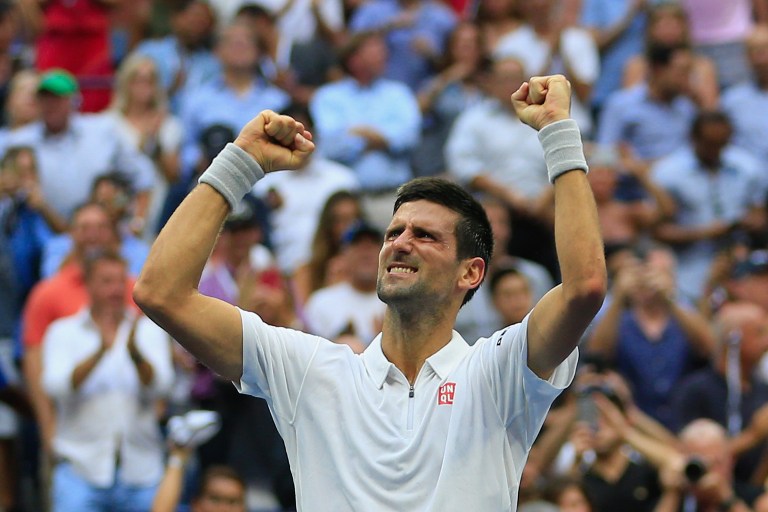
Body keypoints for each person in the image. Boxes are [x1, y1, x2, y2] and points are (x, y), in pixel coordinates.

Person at [133, 74, 607, 510]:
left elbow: (584, 287)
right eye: (393, 232)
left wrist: (558, 132)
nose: (399, 242)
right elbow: (160, 292)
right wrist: (241, 162)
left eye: (425, 235)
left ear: (471, 273)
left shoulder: (498, 371)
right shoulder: (310, 371)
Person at [42, 250, 174, 511]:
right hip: (80, 471)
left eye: (120, 281)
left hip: (142, 470)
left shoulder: (147, 329)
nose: (115, 290)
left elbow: (162, 386)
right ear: (87, 284)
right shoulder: (63, 331)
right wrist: (100, 351)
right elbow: (55, 387)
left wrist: (135, 353)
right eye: (106, 282)